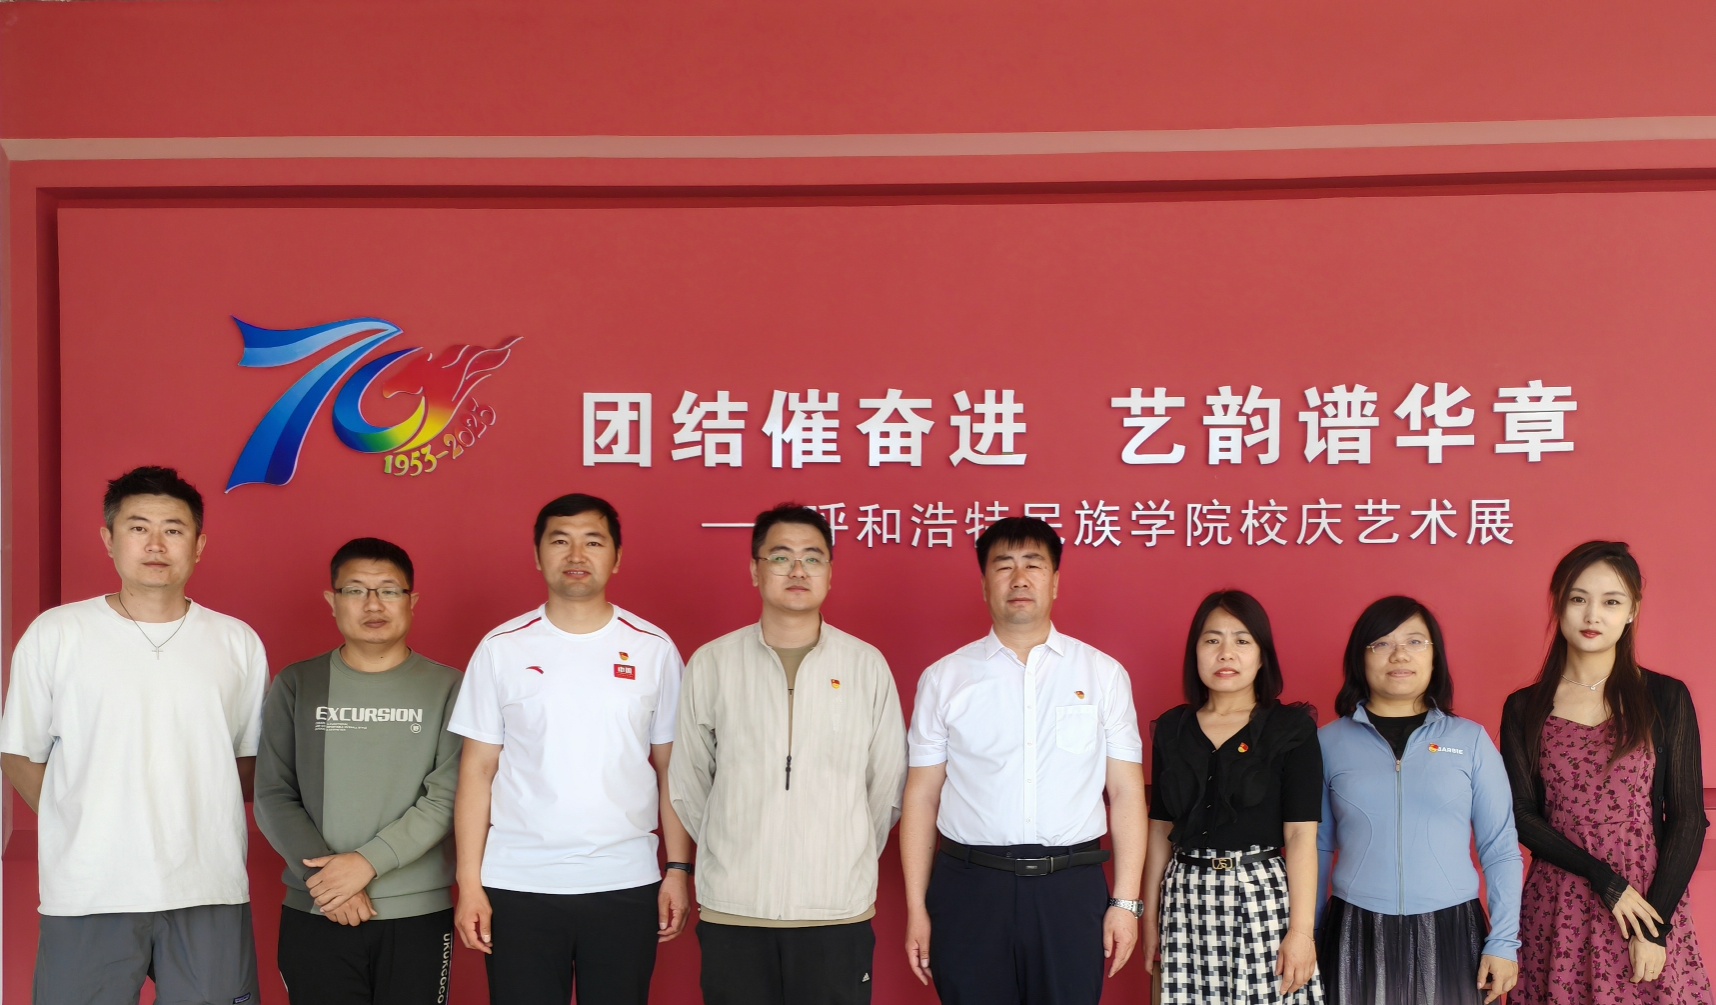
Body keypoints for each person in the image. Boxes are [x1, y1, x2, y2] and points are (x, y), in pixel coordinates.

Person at [0, 466, 269, 1004]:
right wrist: (81, 819)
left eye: (173, 529)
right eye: (138, 527)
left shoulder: (236, 642)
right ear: (109, 539)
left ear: (199, 545)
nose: (155, 544)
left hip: (207, 885)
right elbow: (19, 753)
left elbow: (247, 762)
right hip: (89, 888)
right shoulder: (57, 634)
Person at [449, 493, 692, 1005]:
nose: (576, 555)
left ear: (616, 557)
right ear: (538, 556)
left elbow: (672, 767)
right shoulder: (501, 648)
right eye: (560, 541)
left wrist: (677, 870)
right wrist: (470, 883)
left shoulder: (654, 649)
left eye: (593, 542)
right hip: (518, 883)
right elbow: (477, 770)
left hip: (625, 881)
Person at [900, 516, 1148, 1005]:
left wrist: (1125, 901)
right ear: (984, 584)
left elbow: (1125, 792)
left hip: (1070, 890)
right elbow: (921, 796)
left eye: (1033, 564)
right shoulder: (944, 678)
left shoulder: (1102, 674)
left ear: (1055, 581)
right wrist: (916, 908)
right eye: (1003, 566)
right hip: (970, 889)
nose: (1019, 578)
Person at [670, 503, 908, 1004]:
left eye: (812, 558)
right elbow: (689, 783)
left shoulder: (865, 666)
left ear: (830, 573)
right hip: (734, 909)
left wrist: (840, 853)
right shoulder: (713, 664)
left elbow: (886, 786)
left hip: (836, 912)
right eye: (780, 557)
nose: (798, 570)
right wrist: (732, 843)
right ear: (754, 570)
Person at [254, 537, 464, 1004]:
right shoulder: (298, 683)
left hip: (417, 913)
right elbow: (272, 794)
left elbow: (448, 796)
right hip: (317, 909)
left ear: (411, 601)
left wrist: (365, 864)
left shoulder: (449, 686)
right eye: (355, 590)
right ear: (332, 601)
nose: (373, 604)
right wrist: (329, 886)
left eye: (389, 590)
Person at [1502, 540, 1712, 1002]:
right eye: (1578, 598)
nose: (1592, 615)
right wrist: (1604, 880)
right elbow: (1521, 814)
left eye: (1611, 602)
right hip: (1557, 901)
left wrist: (1655, 927)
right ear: (1559, 604)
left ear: (1632, 610)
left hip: (1646, 902)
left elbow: (1688, 819)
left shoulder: (1665, 696)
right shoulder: (1524, 707)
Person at [1315, 595, 1521, 1005]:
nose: (1399, 655)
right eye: (1381, 643)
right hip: (1355, 928)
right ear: (1360, 657)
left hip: (1452, 928)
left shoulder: (1470, 740)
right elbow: (1316, 848)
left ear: (1434, 656)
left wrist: (1503, 941)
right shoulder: (1326, 742)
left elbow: (1500, 848)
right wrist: (1310, 934)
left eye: (1414, 641)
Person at [1143, 590, 1323, 1004]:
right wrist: (1149, 914)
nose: (1226, 653)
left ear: (1262, 656)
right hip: (1184, 895)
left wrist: (1301, 931)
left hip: (1260, 893)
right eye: (1212, 640)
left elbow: (1300, 836)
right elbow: (1159, 829)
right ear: (1195, 652)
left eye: (1242, 640)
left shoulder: (1289, 729)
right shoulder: (1172, 728)